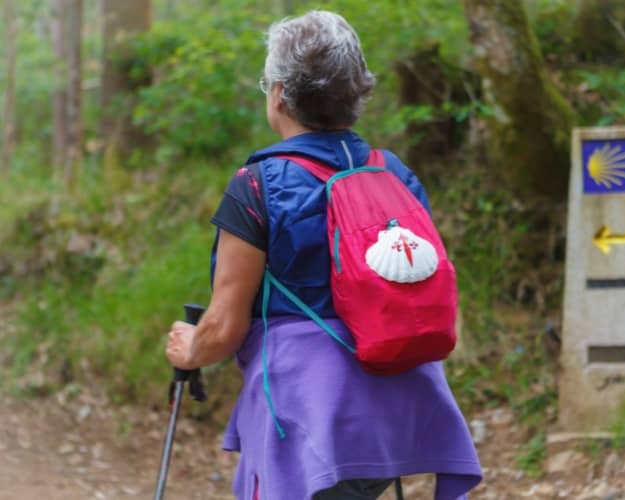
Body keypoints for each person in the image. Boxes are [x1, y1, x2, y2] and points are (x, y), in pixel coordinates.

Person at [165, 10, 482, 500]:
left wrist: (190, 348)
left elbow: (226, 326)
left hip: (310, 407)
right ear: (357, 92)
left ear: (279, 94)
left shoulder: (257, 185)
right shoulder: (394, 174)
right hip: (406, 400)